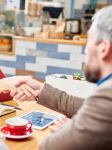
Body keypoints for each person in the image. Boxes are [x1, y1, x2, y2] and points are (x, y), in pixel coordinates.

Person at [14, 5, 112, 150]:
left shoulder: (107, 95)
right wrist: (41, 90)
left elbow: (48, 147)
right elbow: (86, 106)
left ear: (103, 48)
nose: (86, 50)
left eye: (89, 41)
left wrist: (72, 130)